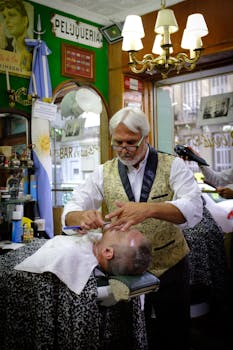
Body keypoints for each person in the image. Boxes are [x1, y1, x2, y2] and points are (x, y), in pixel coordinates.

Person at [62, 106, 203, 350]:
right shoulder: (102, 172)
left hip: (170, 264)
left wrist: (148, 209)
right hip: (124, 268)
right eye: (118, 143)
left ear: (145, 138)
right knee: (130, 334)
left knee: (174, 332)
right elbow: (71, 209)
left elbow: (194, 208)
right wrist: (81, 215)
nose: (124, 150)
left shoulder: (173, 166)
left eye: (131, 142)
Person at [15, 227, 152, 295]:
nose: (121, 225)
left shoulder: (68, 255)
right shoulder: (100, 243)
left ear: (107, 252)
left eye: (121, 231)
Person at [0, 0, 32, 71]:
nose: (7, 21)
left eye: (11, 15)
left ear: (25, 20)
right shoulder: (6, 45)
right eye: (4, 17)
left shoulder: (32, 48)